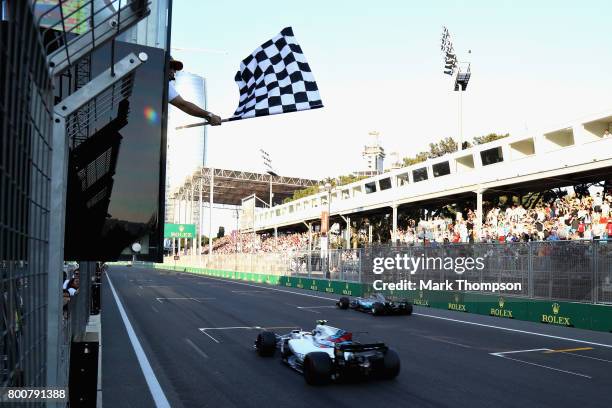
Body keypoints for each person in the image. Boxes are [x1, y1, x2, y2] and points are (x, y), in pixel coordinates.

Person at [168, 57, 222, 125]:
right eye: (172, 67)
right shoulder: (162, 83)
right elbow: (183, 105)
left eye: (175, 69)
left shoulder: (163, 85)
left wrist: (208, 115)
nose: (174, 71)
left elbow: (182, 104)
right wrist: (209, 115)